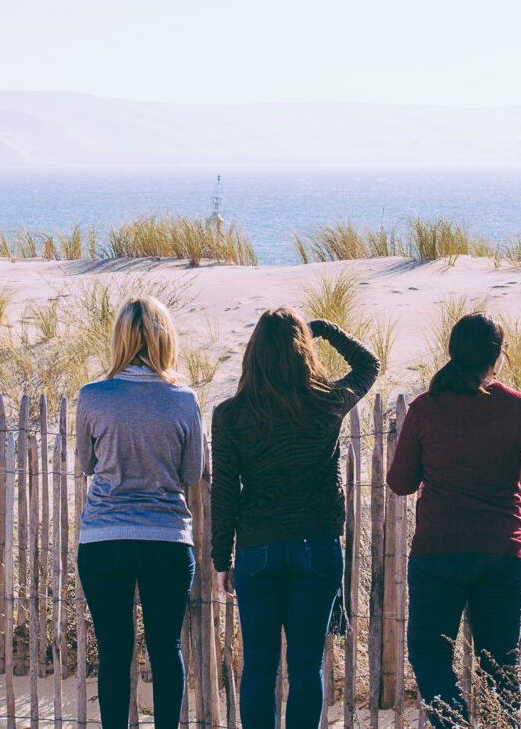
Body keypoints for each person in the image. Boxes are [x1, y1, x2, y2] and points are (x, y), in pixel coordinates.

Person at [387, 312, 521, 728]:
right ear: (497, 357)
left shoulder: (425, 408)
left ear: (452, 353)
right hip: (502, 553)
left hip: (439, 553)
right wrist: (520, 453)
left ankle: (453, 722)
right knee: (500, 668)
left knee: (429, 654)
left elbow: (400, 482)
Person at [211, 307, 380, 729]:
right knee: (306, 666)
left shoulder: (231, 415)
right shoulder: (326, 402)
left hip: (257, 548)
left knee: (258, 668)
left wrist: (220, 560)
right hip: (318, 547)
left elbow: (226, 492)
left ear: (253, 355)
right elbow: (368, 364)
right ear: (304, 351)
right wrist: (322, 330)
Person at [76, 297, 204, 729]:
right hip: (166, 539)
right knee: (165, 648)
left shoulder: (93, 396)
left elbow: (85, 463)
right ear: (164, 340)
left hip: (103, 538)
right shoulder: (184, 400)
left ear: (120, 340)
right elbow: (193, 472)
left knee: (114, 650)